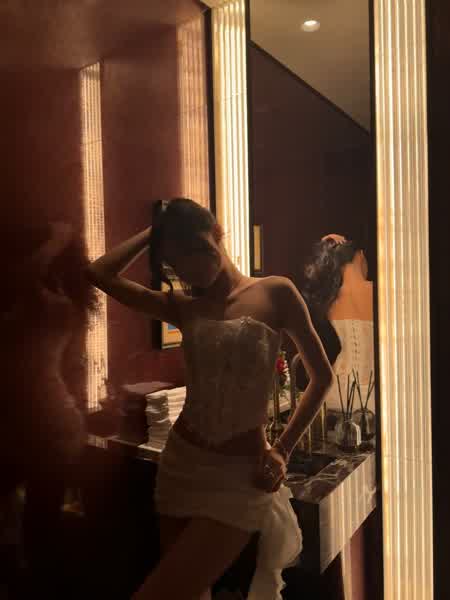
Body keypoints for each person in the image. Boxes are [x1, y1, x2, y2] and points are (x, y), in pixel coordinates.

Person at [87, 197, 333, 600]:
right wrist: (155, 231)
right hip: (181, 466)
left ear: (217, 234)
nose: (188, 267)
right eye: (175, 262)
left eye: (193, 249)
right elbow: (98, 273)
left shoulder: (275, 292)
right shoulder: (185, 307)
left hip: (240, 476)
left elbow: (321, 378)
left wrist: (282, 450)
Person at [1, 221, 97, 589]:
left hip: (49, 428)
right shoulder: (48, 303)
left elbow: (22, 279)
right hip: (42, 424)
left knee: (40, 530)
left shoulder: (53, 305)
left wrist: (56, 239)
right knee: (38, 528)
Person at [302, 233, 375, 413]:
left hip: (336, 393)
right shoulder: (379, 292)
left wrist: (329, 245)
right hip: (372, 392)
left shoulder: (329, 300)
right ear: (360, 256)